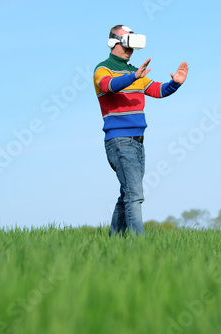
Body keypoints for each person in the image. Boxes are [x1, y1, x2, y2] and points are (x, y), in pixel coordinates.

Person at [93, 25, 189, 237]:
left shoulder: (137, 72)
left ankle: (114, 241)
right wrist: (133, 76)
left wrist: (175, 84)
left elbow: (157, 90)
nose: (130, 50)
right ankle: (140, 244)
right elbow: (109, 86)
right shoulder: (103, 69)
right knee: (135, 194)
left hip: (138, 142)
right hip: (119, 141)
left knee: (127, 194)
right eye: (127, 43)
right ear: (113, 42)